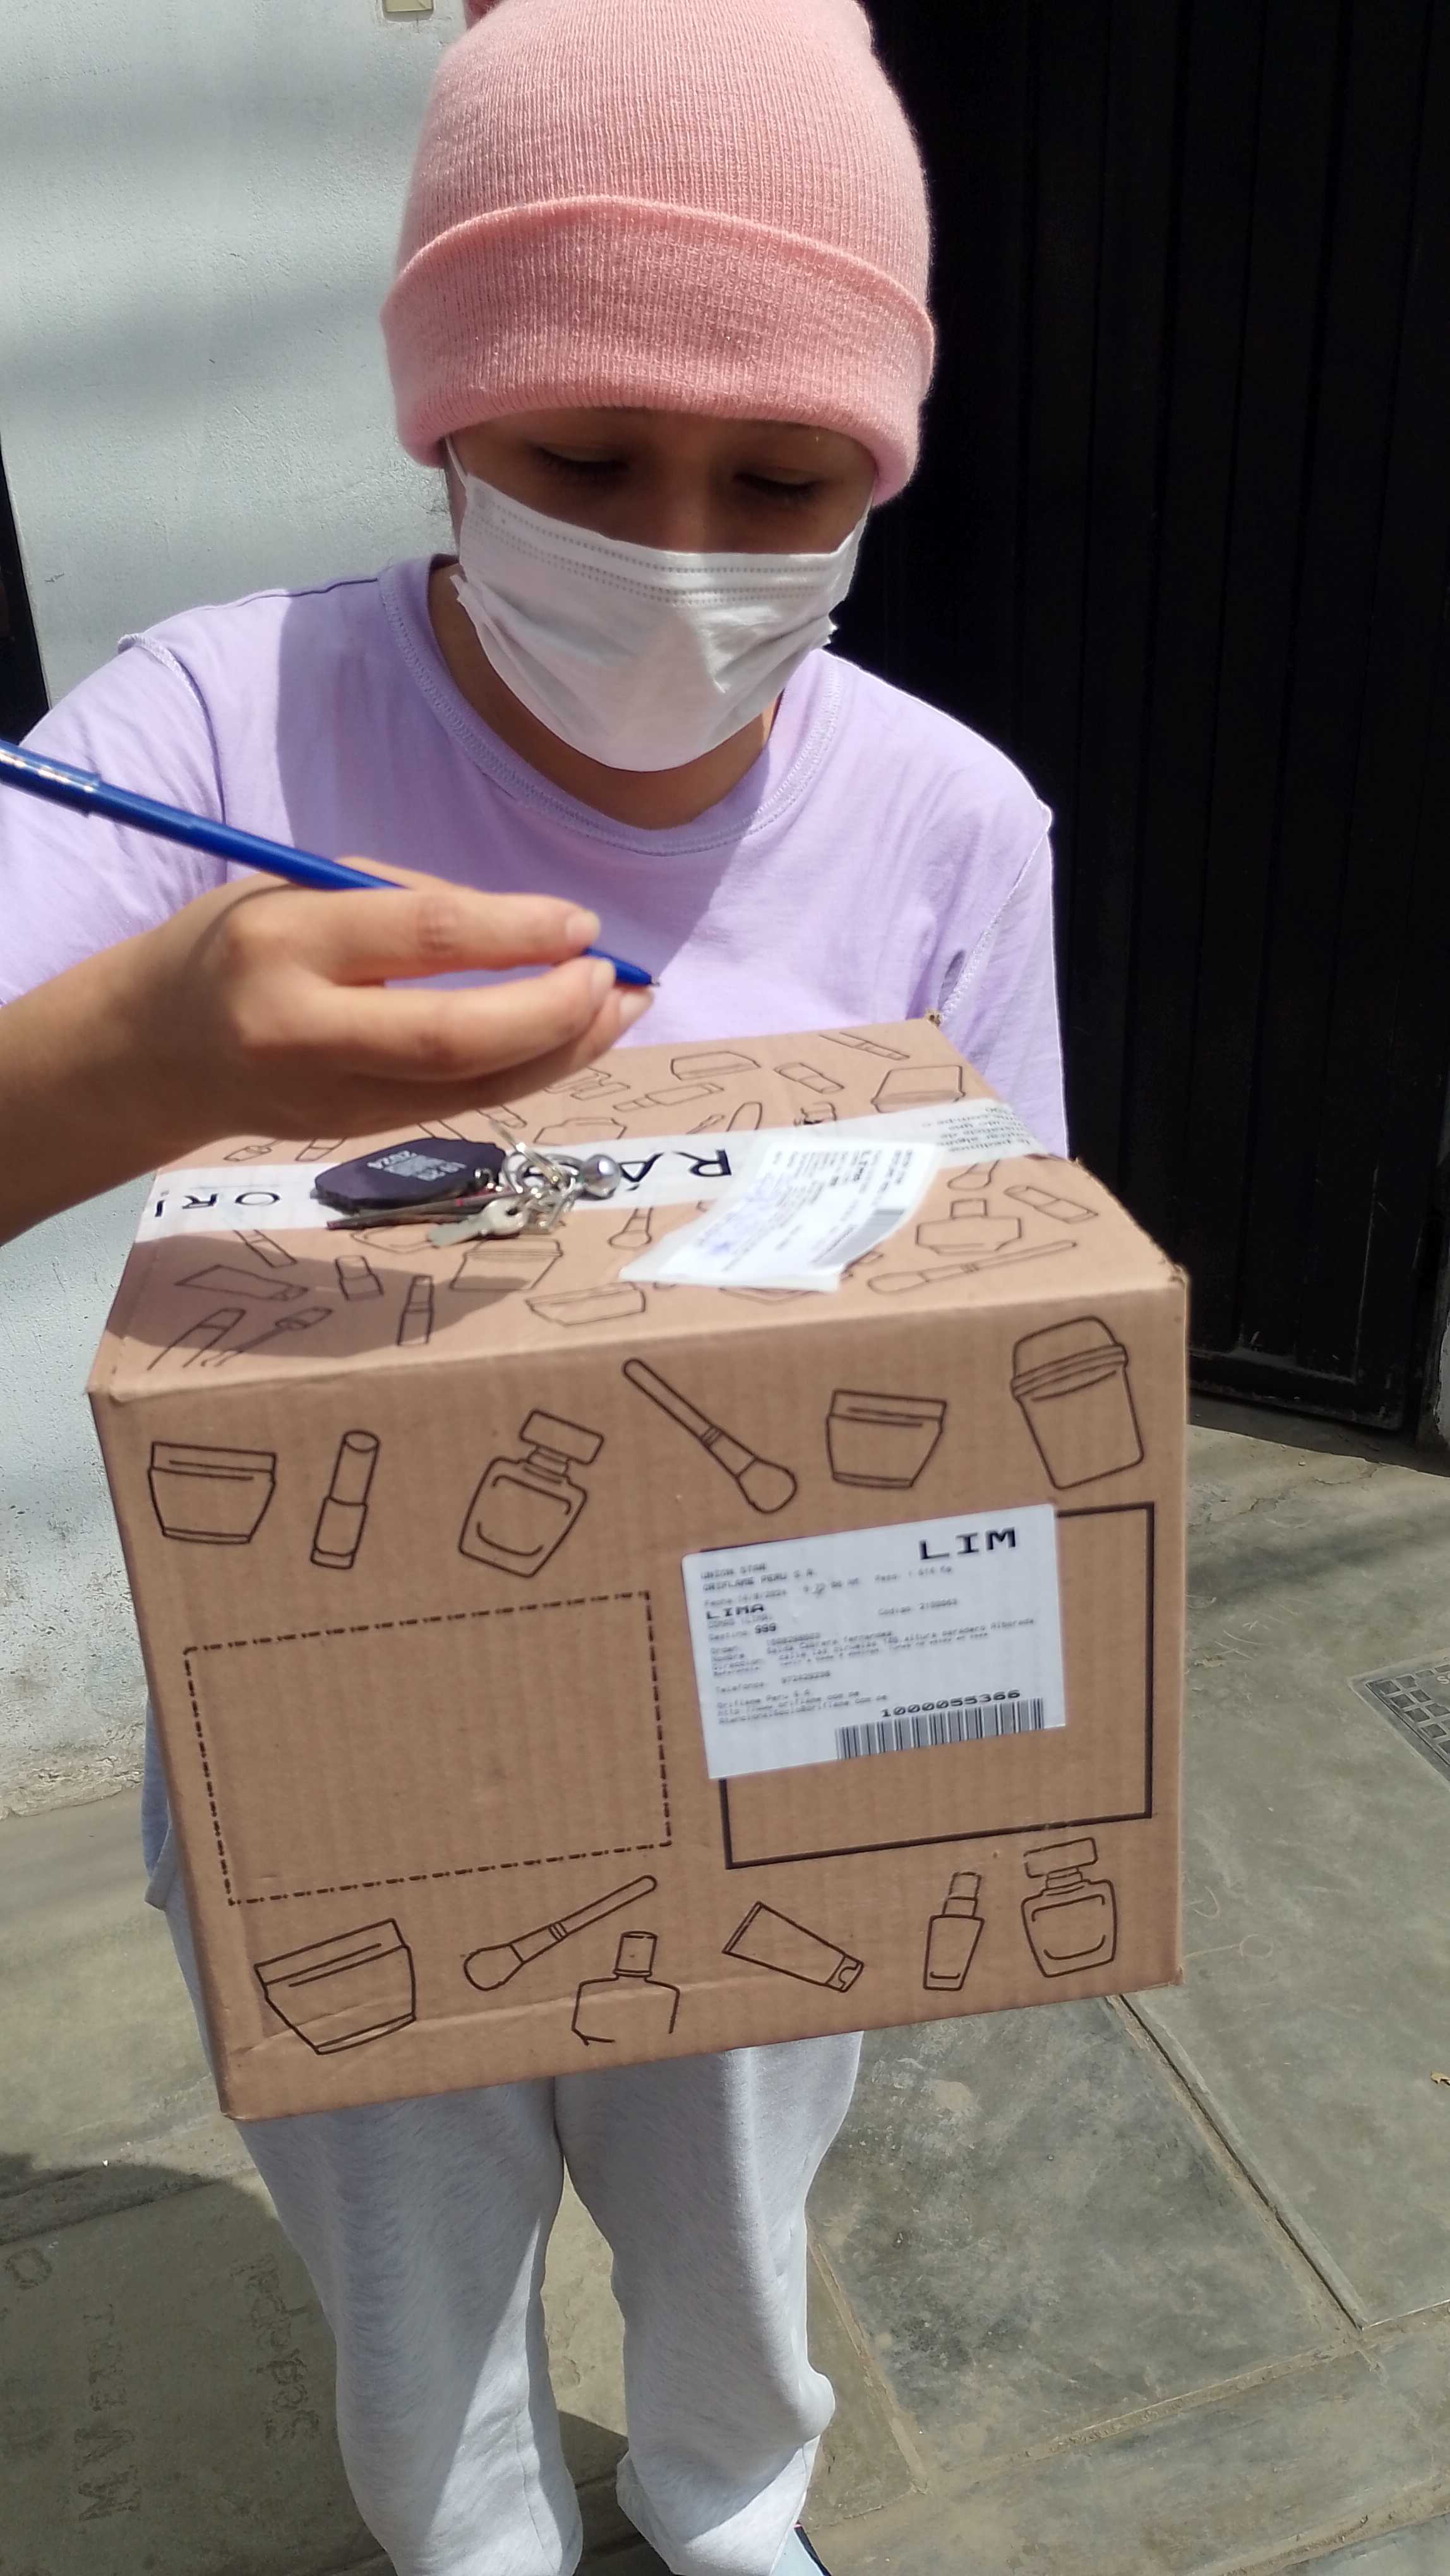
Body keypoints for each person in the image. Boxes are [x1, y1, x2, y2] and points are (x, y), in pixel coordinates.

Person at [0, 3, 1066, 2569]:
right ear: (444, 422)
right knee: (412, 2256)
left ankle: (732, 2505)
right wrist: (147, 1045)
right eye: (583, 459)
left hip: (776, 1698)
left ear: (882, 468)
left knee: (737, 2211)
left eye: (782, 478)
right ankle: (469, 2540)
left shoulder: (945, 820)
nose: (682, 549)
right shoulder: (211, 730)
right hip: (328, 1725)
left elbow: (1006, 1300)